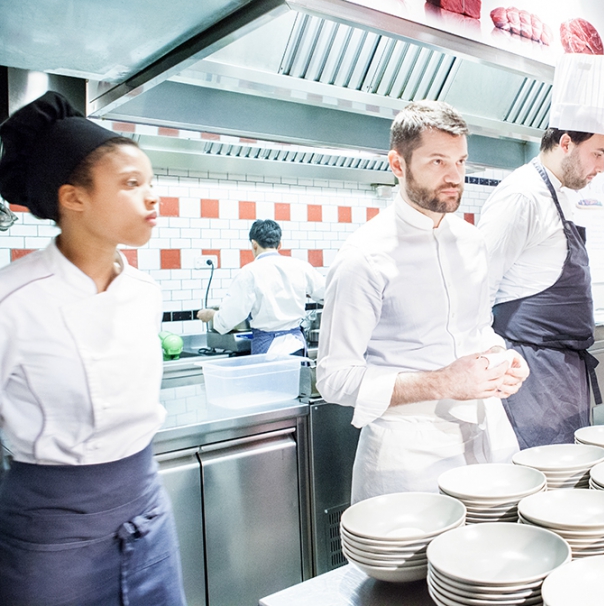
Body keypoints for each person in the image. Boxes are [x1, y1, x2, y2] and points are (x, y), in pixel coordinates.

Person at [0, 92, 185, 604]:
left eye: (151, 183)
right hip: (51, 533)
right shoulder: (12, 299)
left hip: (146, 510)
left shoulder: (145, 293)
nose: (152, 197)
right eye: (131, 184)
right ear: (73, 198)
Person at [316, 100, 528, 503]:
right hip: (408, 459)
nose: (454, 177)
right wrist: (442, 383)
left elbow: (478, 329)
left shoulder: (472, 241)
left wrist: (502, 359)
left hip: (488, 442)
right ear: (398, 164)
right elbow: (334, 378)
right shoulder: (364, 256)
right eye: (437, 162)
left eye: (461, 161)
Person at [477, 54, 604, 449]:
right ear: (566, 143)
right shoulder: (521, 197)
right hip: (532, 374)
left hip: (562, 372)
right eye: (598, 153)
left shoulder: (560, 195)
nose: (602, 166)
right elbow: (476, 289)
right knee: (540, 483)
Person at [197, 219, 323, 355]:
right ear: (279, 245)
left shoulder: (249, 272)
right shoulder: (301, 267)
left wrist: (211, 314)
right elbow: (327, 295)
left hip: (268, 350)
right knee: (296, 377)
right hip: (296, 346)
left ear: (254, 244)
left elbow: (229, 318)